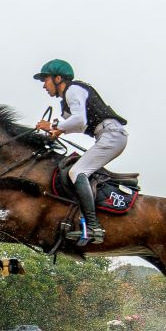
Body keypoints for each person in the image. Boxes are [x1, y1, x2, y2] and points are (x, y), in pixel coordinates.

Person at [34, 59, 128, 245]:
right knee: (76, 170)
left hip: (111, 134)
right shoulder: (67, 101)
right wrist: (55, 130)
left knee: (77, 171)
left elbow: (79, 120)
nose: (44, 85)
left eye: (46, 80)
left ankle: (93, 227)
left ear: (58, 78)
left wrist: (54, 126)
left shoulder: (73, 90)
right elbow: (75, 125)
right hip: (107, 135)